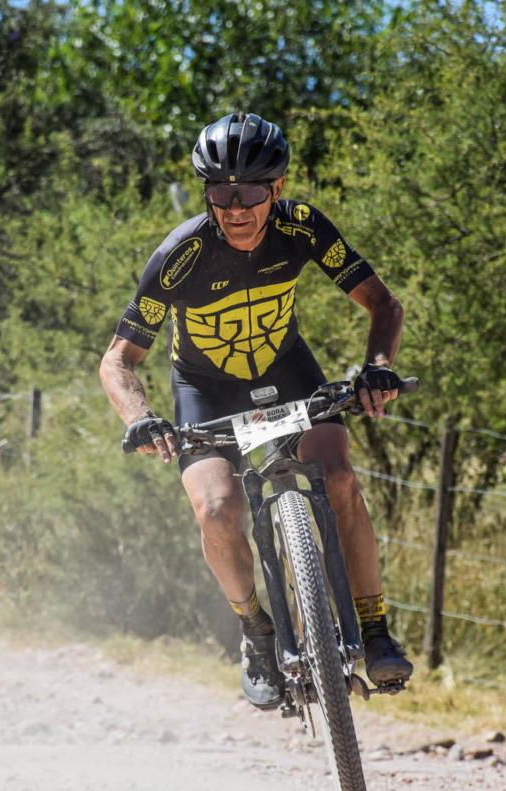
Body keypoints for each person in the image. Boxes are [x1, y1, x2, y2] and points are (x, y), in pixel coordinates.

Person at [98, 111, 414, 709]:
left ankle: (374, 630)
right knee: (217, 509)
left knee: (339, 478)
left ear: (278, 187)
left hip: (285, 370)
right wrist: (139, 417)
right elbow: (117, 360)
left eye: (250, 192)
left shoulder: (302, 228)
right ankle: (256, 632)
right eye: (220, 193)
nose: (236, 208)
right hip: (206, 388)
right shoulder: (180, 255)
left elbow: (384, 305)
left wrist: (376, 367)